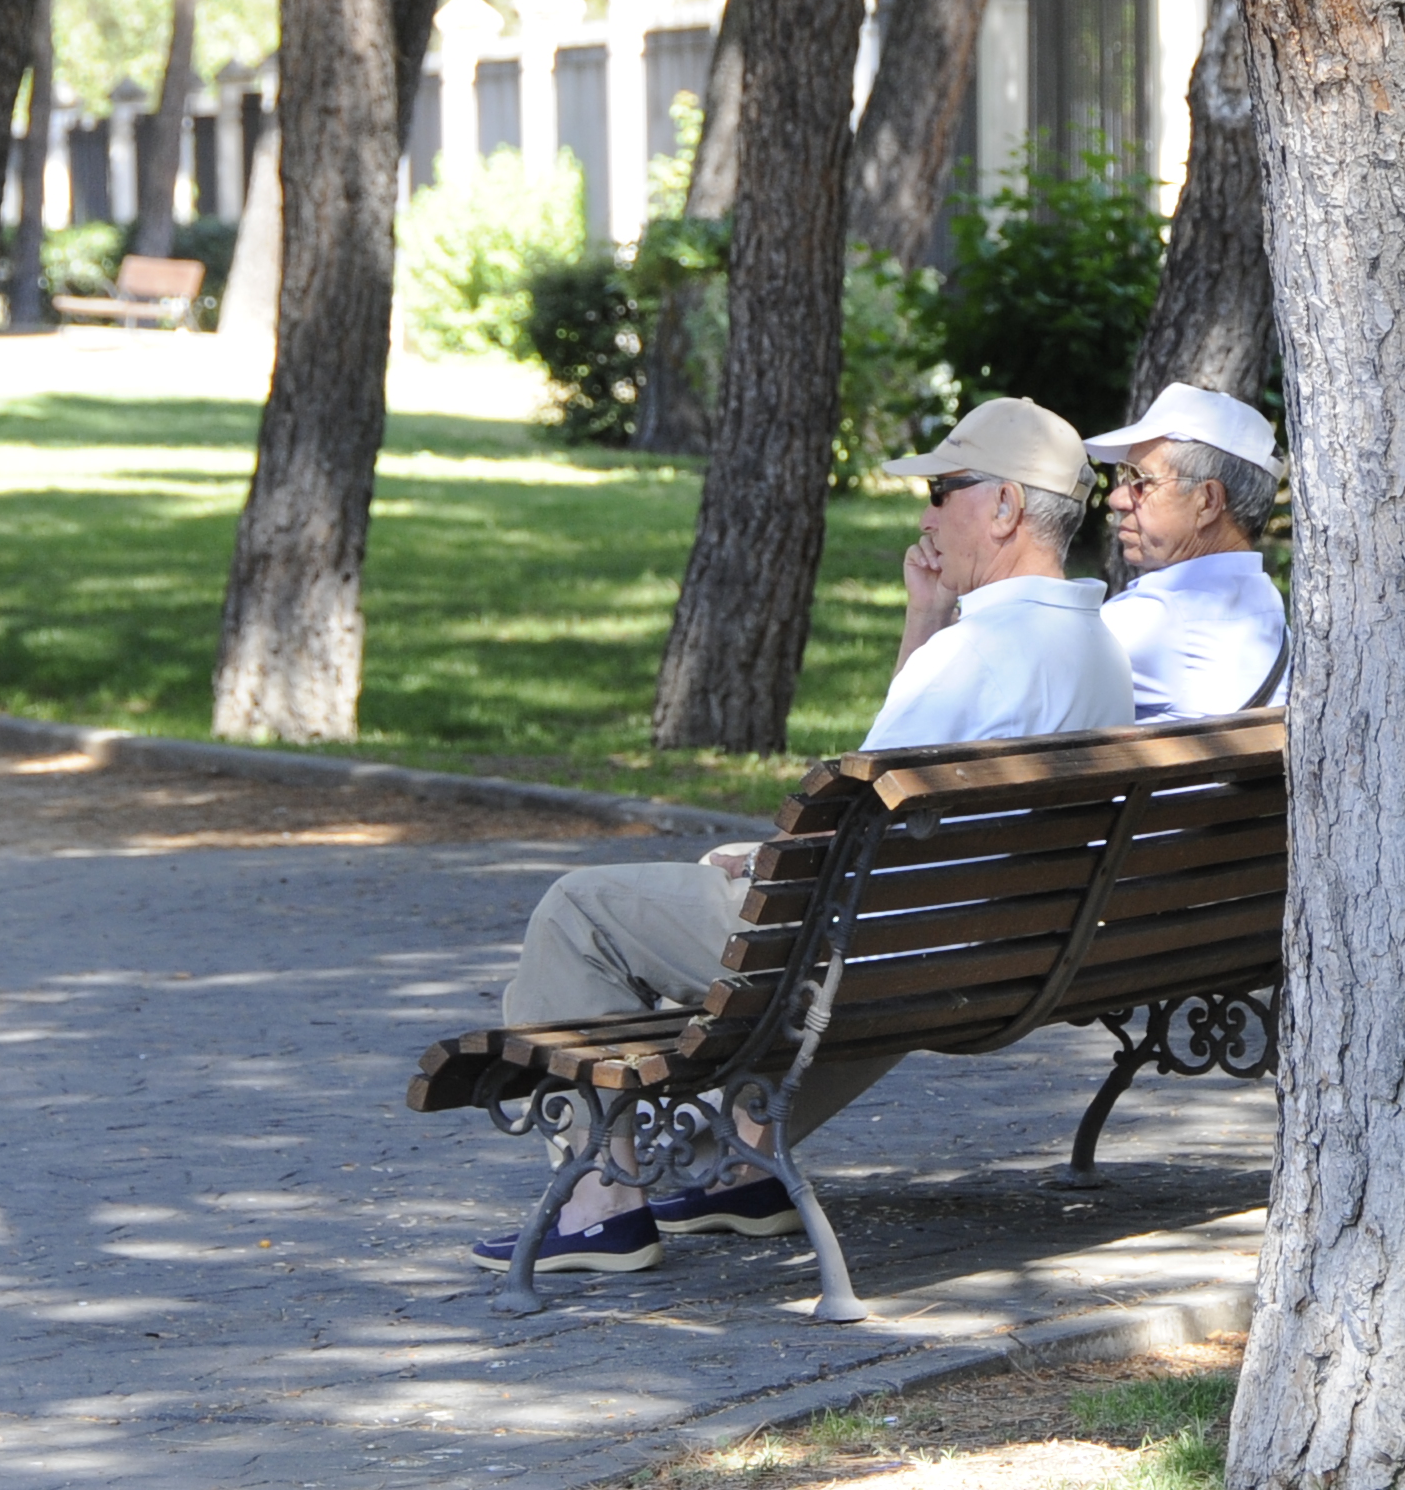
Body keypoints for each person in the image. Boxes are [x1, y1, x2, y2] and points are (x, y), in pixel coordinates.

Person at [472, 396, 1132, 1277]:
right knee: (885, 943)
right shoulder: (1095, 645)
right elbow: (888, 794)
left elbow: (856, 822)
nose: (926, 512)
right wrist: (922, 620)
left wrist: (768, 864)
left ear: (1007, 507)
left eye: (943, 489)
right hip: (982, 954)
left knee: (577, 910)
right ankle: (744, 1166)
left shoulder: (979, 655)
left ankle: (601, 1205)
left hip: (871, 943)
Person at [1082, 383, 1288, 721]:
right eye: (1122, 476)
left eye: (1140, 481)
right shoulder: (1268, 610)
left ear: (1207, 502)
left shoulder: (1157, 622)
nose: (1117, 499)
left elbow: (997, 673)